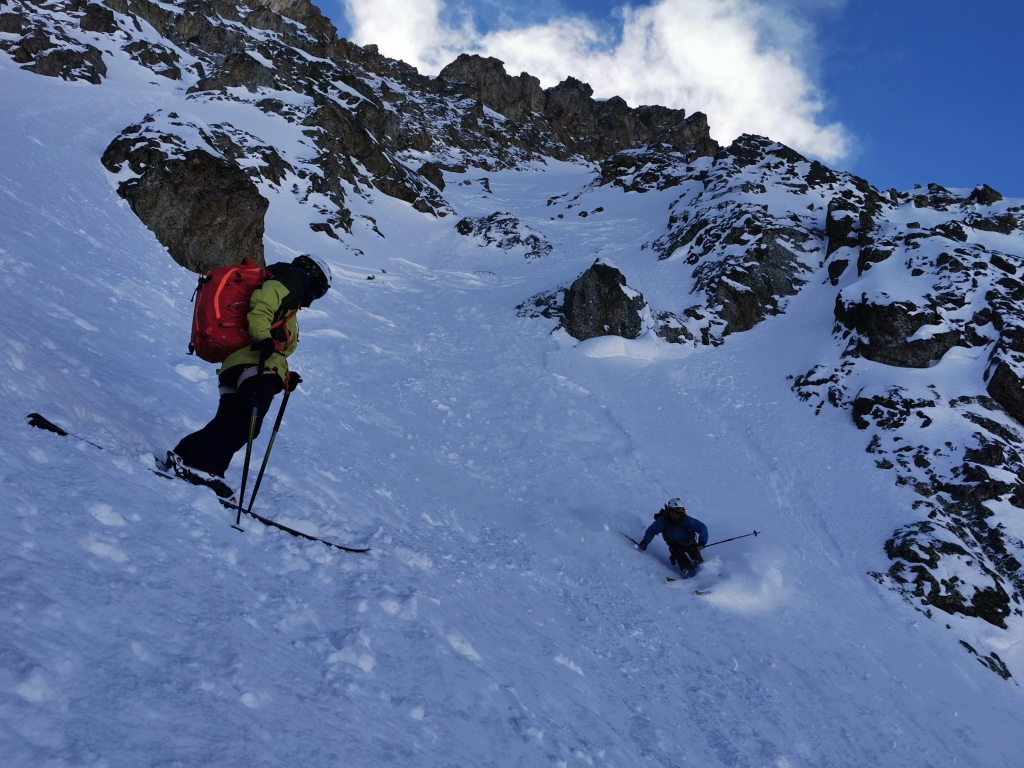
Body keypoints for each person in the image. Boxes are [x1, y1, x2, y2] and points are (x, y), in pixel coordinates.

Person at [165, 254, 332, 496]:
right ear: (316, 279)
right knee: (246, 423)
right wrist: (263, 338)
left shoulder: (288, 295)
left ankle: (183, 457)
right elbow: (262, 304)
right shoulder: (292, 282)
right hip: (254, 365)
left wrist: (285, 376)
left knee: (229, 420)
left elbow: (276, 347)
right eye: (322, 291)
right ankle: (201, 467)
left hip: (237, 365)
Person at [638, 498, 709, 577]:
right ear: (671, 511)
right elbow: (652, 530)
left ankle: (705, 570)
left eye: (682, 512)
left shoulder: (686, 520)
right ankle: (688, 570)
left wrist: (702, 542)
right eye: (677, 512)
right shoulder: (663, 521)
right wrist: (645, 542)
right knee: (677, 551)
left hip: (689, 542)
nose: (680, 514)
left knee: (696, 556)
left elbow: (702, 527)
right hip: (674, 544)